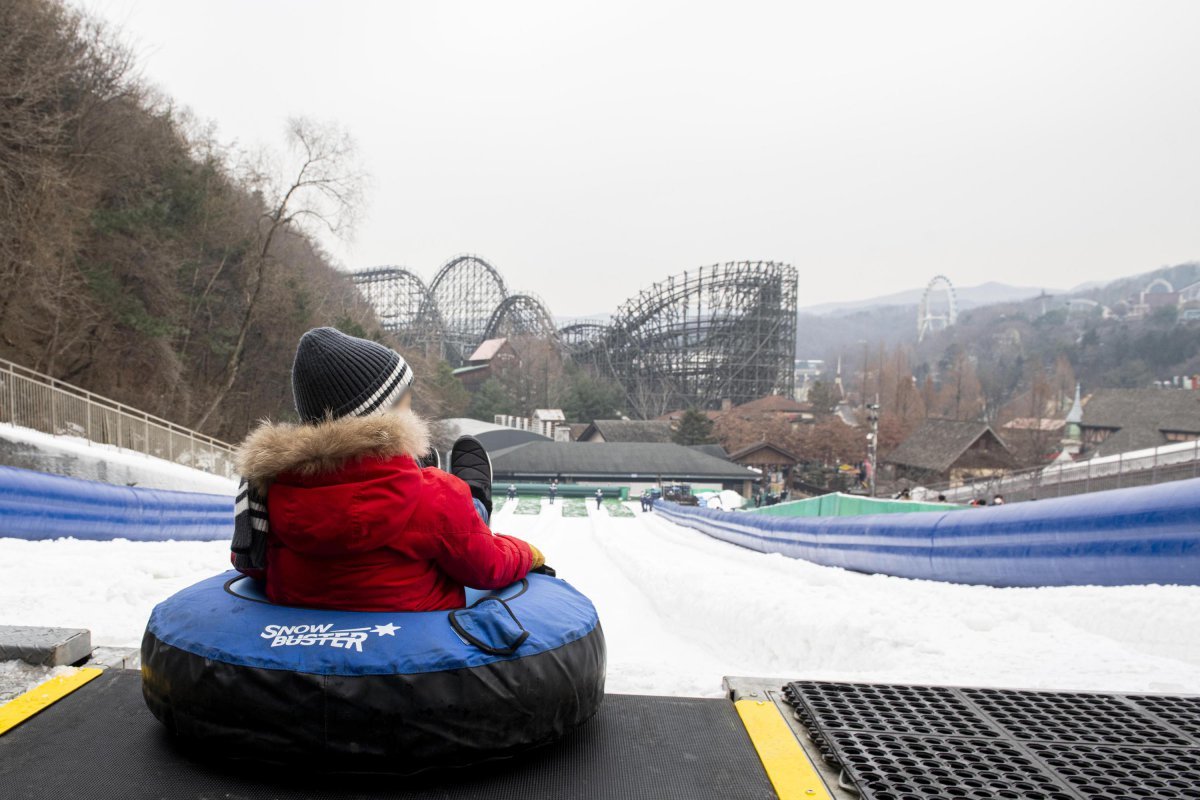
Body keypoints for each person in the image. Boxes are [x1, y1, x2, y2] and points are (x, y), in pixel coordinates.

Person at [230, 327, 544, 612]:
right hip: (419, 653)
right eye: (406, 403)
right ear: (386, 415)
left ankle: (471, 504)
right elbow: (487, 567)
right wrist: (528, 552)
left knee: (447, 512)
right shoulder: (435, 495)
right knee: (459, 512)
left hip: (306, 653)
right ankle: (477, 500)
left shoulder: (269, 493)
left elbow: (250, 562)